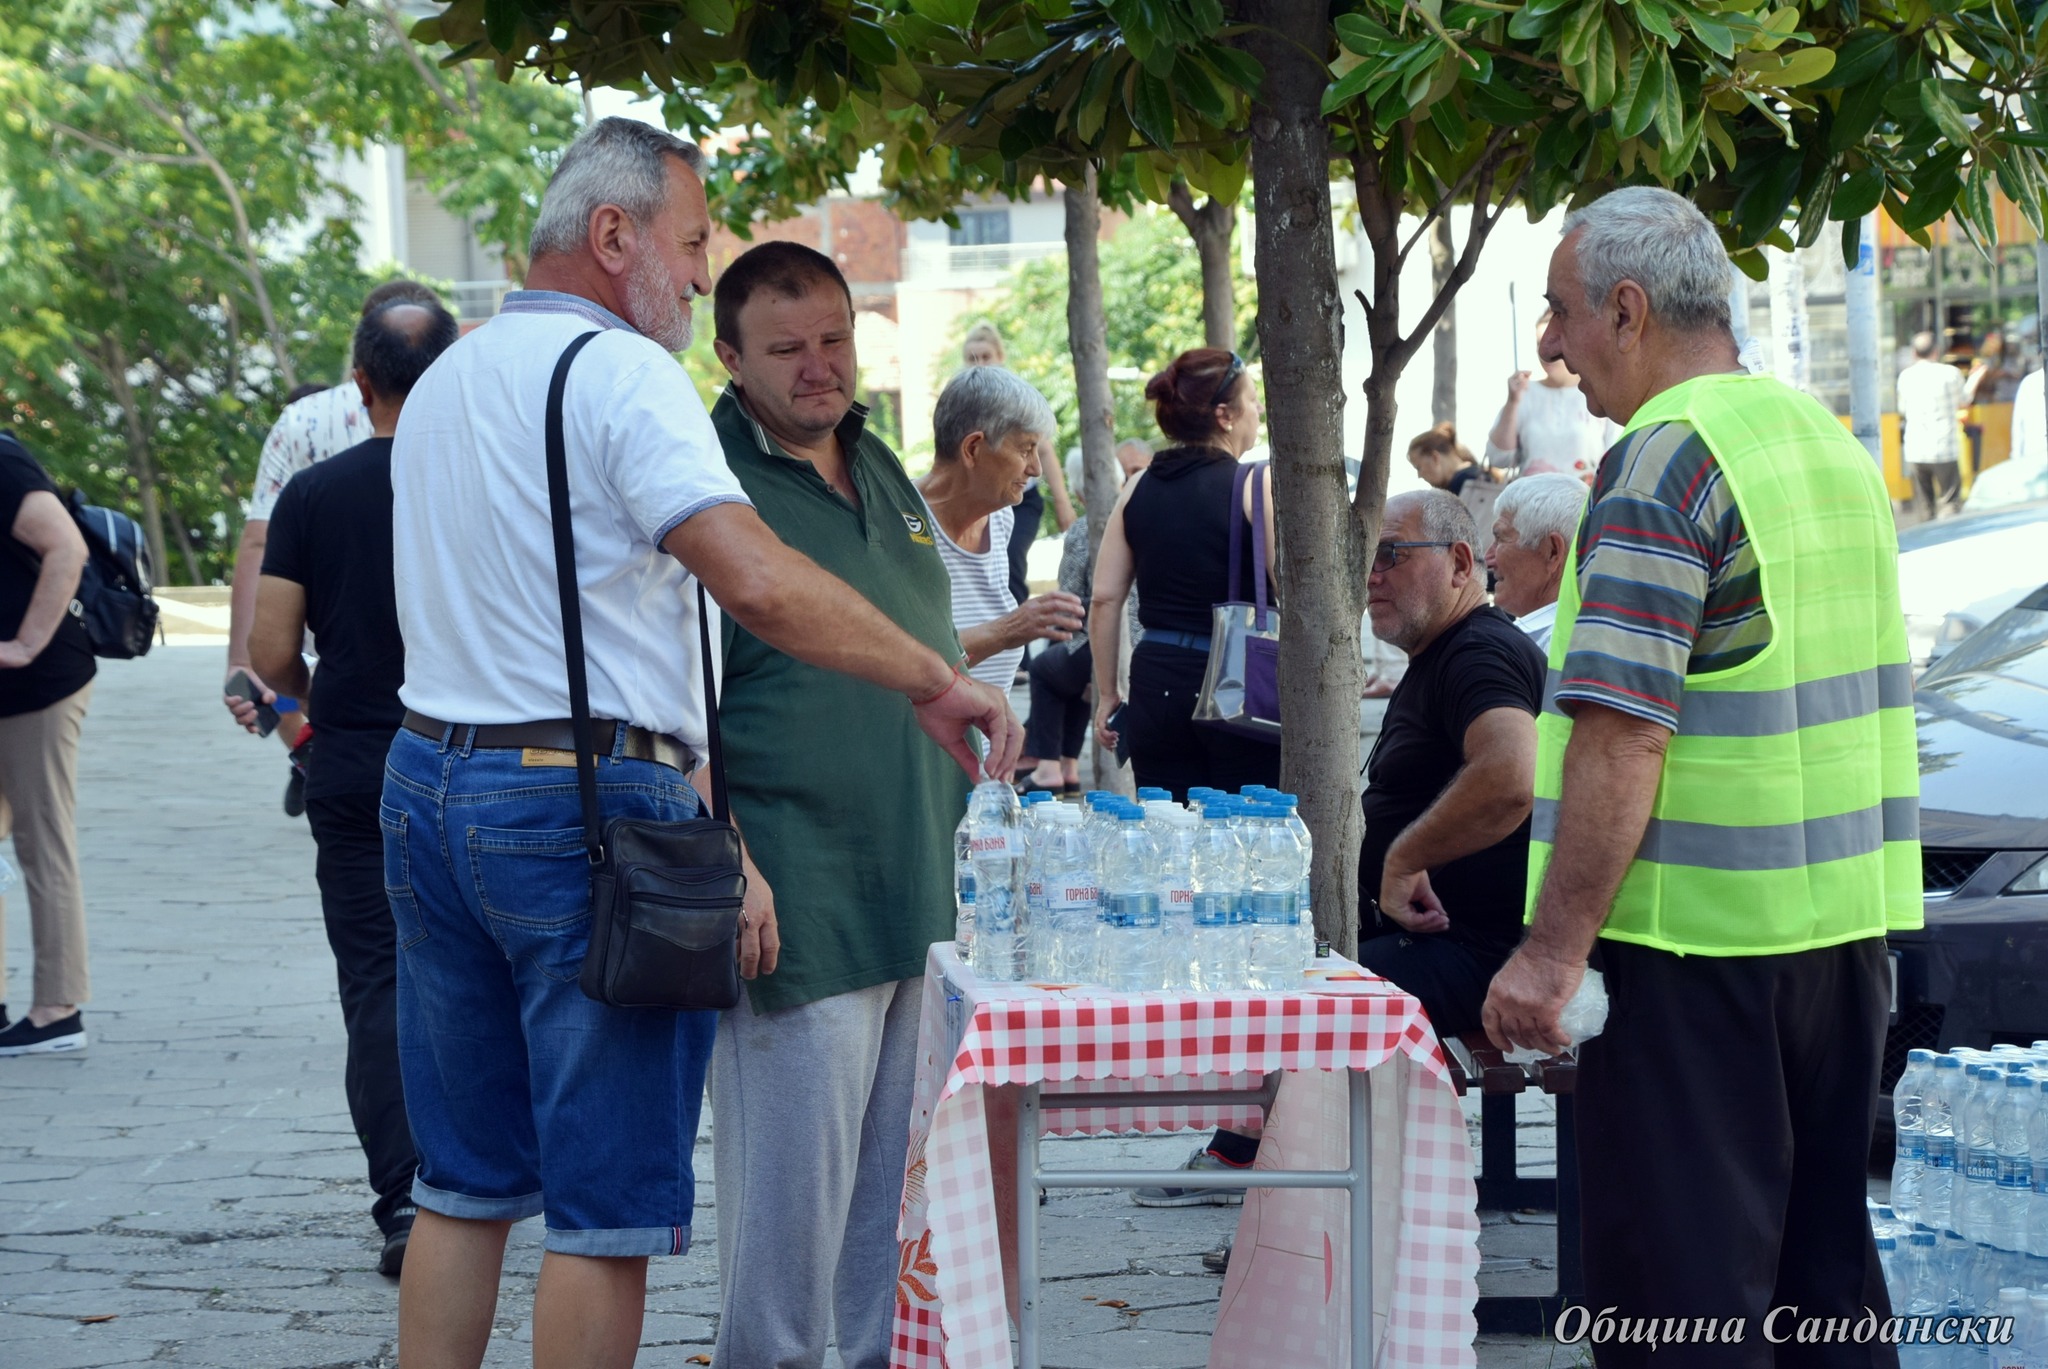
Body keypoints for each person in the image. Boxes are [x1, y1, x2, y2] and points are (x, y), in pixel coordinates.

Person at [379, 118, 1019, 1369]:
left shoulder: (452, 373)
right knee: (605, 1207)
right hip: (581, 802)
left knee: (460, 1185)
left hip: (429, 781)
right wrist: (933, 676)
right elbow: (760, 584)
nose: (691, 269)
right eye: (686, 244)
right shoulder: (622, 377)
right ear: (611, 236)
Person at [1482, 186, 1918, 1362]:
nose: (1549, 346)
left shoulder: (1660, 462)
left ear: (1625, 310)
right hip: (1838, 941)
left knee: (1680, 1306)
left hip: (1692, 959)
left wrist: (1549, 951)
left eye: (1558, 312)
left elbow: (1622, 731)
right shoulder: (1822, 439)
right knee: (1822, 1282)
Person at [701, 239, 981, 1369]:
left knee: (894, 1209)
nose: (818, 368)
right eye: (785, 349)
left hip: (920, 884)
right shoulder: (702, 486)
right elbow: (674, 704)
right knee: (787, 1221)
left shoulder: (880, 460)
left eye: (833, 340)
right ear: (725, 357)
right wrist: (730, 857)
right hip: (796, 899)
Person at [248, 296, 459, 1275]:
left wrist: (311, 695)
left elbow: (268, 652)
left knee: (378, 982)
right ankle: (479, 1185)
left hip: (355, 766)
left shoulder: (315, 494)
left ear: (359, 383)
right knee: (476, 974)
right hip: (478, 762)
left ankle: (407, 1203)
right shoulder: (490, 486)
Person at [224, 279, 443, 815]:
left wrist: (245, 665)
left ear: (362, 367)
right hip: (454, 718)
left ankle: (304, 748)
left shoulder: (301, 423)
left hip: (345, 710)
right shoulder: (483, 451)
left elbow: (257, 541)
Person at [1358, 490, 1543, 1034]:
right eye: (1365, 556)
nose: (1371, 575)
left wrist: (1403, 859)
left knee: (1304, 1016)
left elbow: (1513, 775)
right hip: (1431, 941)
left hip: (1473, 955)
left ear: (1461, 563)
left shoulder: (1476, 652)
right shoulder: (1448, 649)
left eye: (1390, 554)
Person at [1091, 348, 1279, 800]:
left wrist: (1107, 694)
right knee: (1244, 829)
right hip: (1240, 680)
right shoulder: (1258, 484)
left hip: (1156, 679)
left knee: (1167, 830)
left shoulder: (1137, 485)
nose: (1258, 409)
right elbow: (1287, 583)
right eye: (1252, 399)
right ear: (1224, 416)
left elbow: (1103, 598)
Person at [0, 431, 94, 1056]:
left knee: (42, 840)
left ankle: (58, 1010)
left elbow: (67, 547)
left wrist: (27, 643)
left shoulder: (2, 463)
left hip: (39, 684)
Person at [915, 367, 1085, 692]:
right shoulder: (896, 520)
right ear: (973, 449)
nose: (1035, 468)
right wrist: (1008, 630)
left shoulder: (1001, 518)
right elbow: (900, 662)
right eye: (1025, 449)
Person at [1017, 438, 1152, 795]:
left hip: (1108, 639)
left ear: (1079, 493)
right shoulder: (1146, 520)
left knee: (1047, 669)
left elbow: (1072, 602)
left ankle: (1048, 769)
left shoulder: (1085, 529)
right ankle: (1069, 767)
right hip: (1146, 640)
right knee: (1072, 675)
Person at [958, 322, 1074, 611]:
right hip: (979, 498)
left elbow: (1044, 451)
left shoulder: (1019, 399)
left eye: (986, 356)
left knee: (1011, 562)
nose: (981, 363)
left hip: (1020, 500)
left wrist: (1063, 503)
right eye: (973, 358)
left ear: (1000, 356)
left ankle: (1017, 635)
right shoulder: (961, 401)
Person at [1484, 310, 1615, 480]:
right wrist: (1513, 402)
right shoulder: (1525, 394)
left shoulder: (1599, 391)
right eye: (1539, 343)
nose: (1545, 351)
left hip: (1581, 503)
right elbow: (1498, 458)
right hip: (1531, 503)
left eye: (1556, 341)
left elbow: (1615, 459)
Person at [1484, 472, 1588, 649]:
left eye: (1501, 538)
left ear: (1552, 552)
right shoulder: (1588, 632)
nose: (1488, 558)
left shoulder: (1540, 646)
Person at [1897, 329, 1967, 521]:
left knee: (1924, 507)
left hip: (1916, 449)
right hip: (1945, 447)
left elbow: (1902, 409)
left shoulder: (1905, 377)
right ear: (1936, 351)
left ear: (1914, 353)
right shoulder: (1950, 374)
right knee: (1950, 504)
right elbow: (1964, 400)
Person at [1406, 422, 1489, 496]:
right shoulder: (1479, 476)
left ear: (1435, 457)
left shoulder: (1460, 486)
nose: (1419, 475)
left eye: (1418, 468)